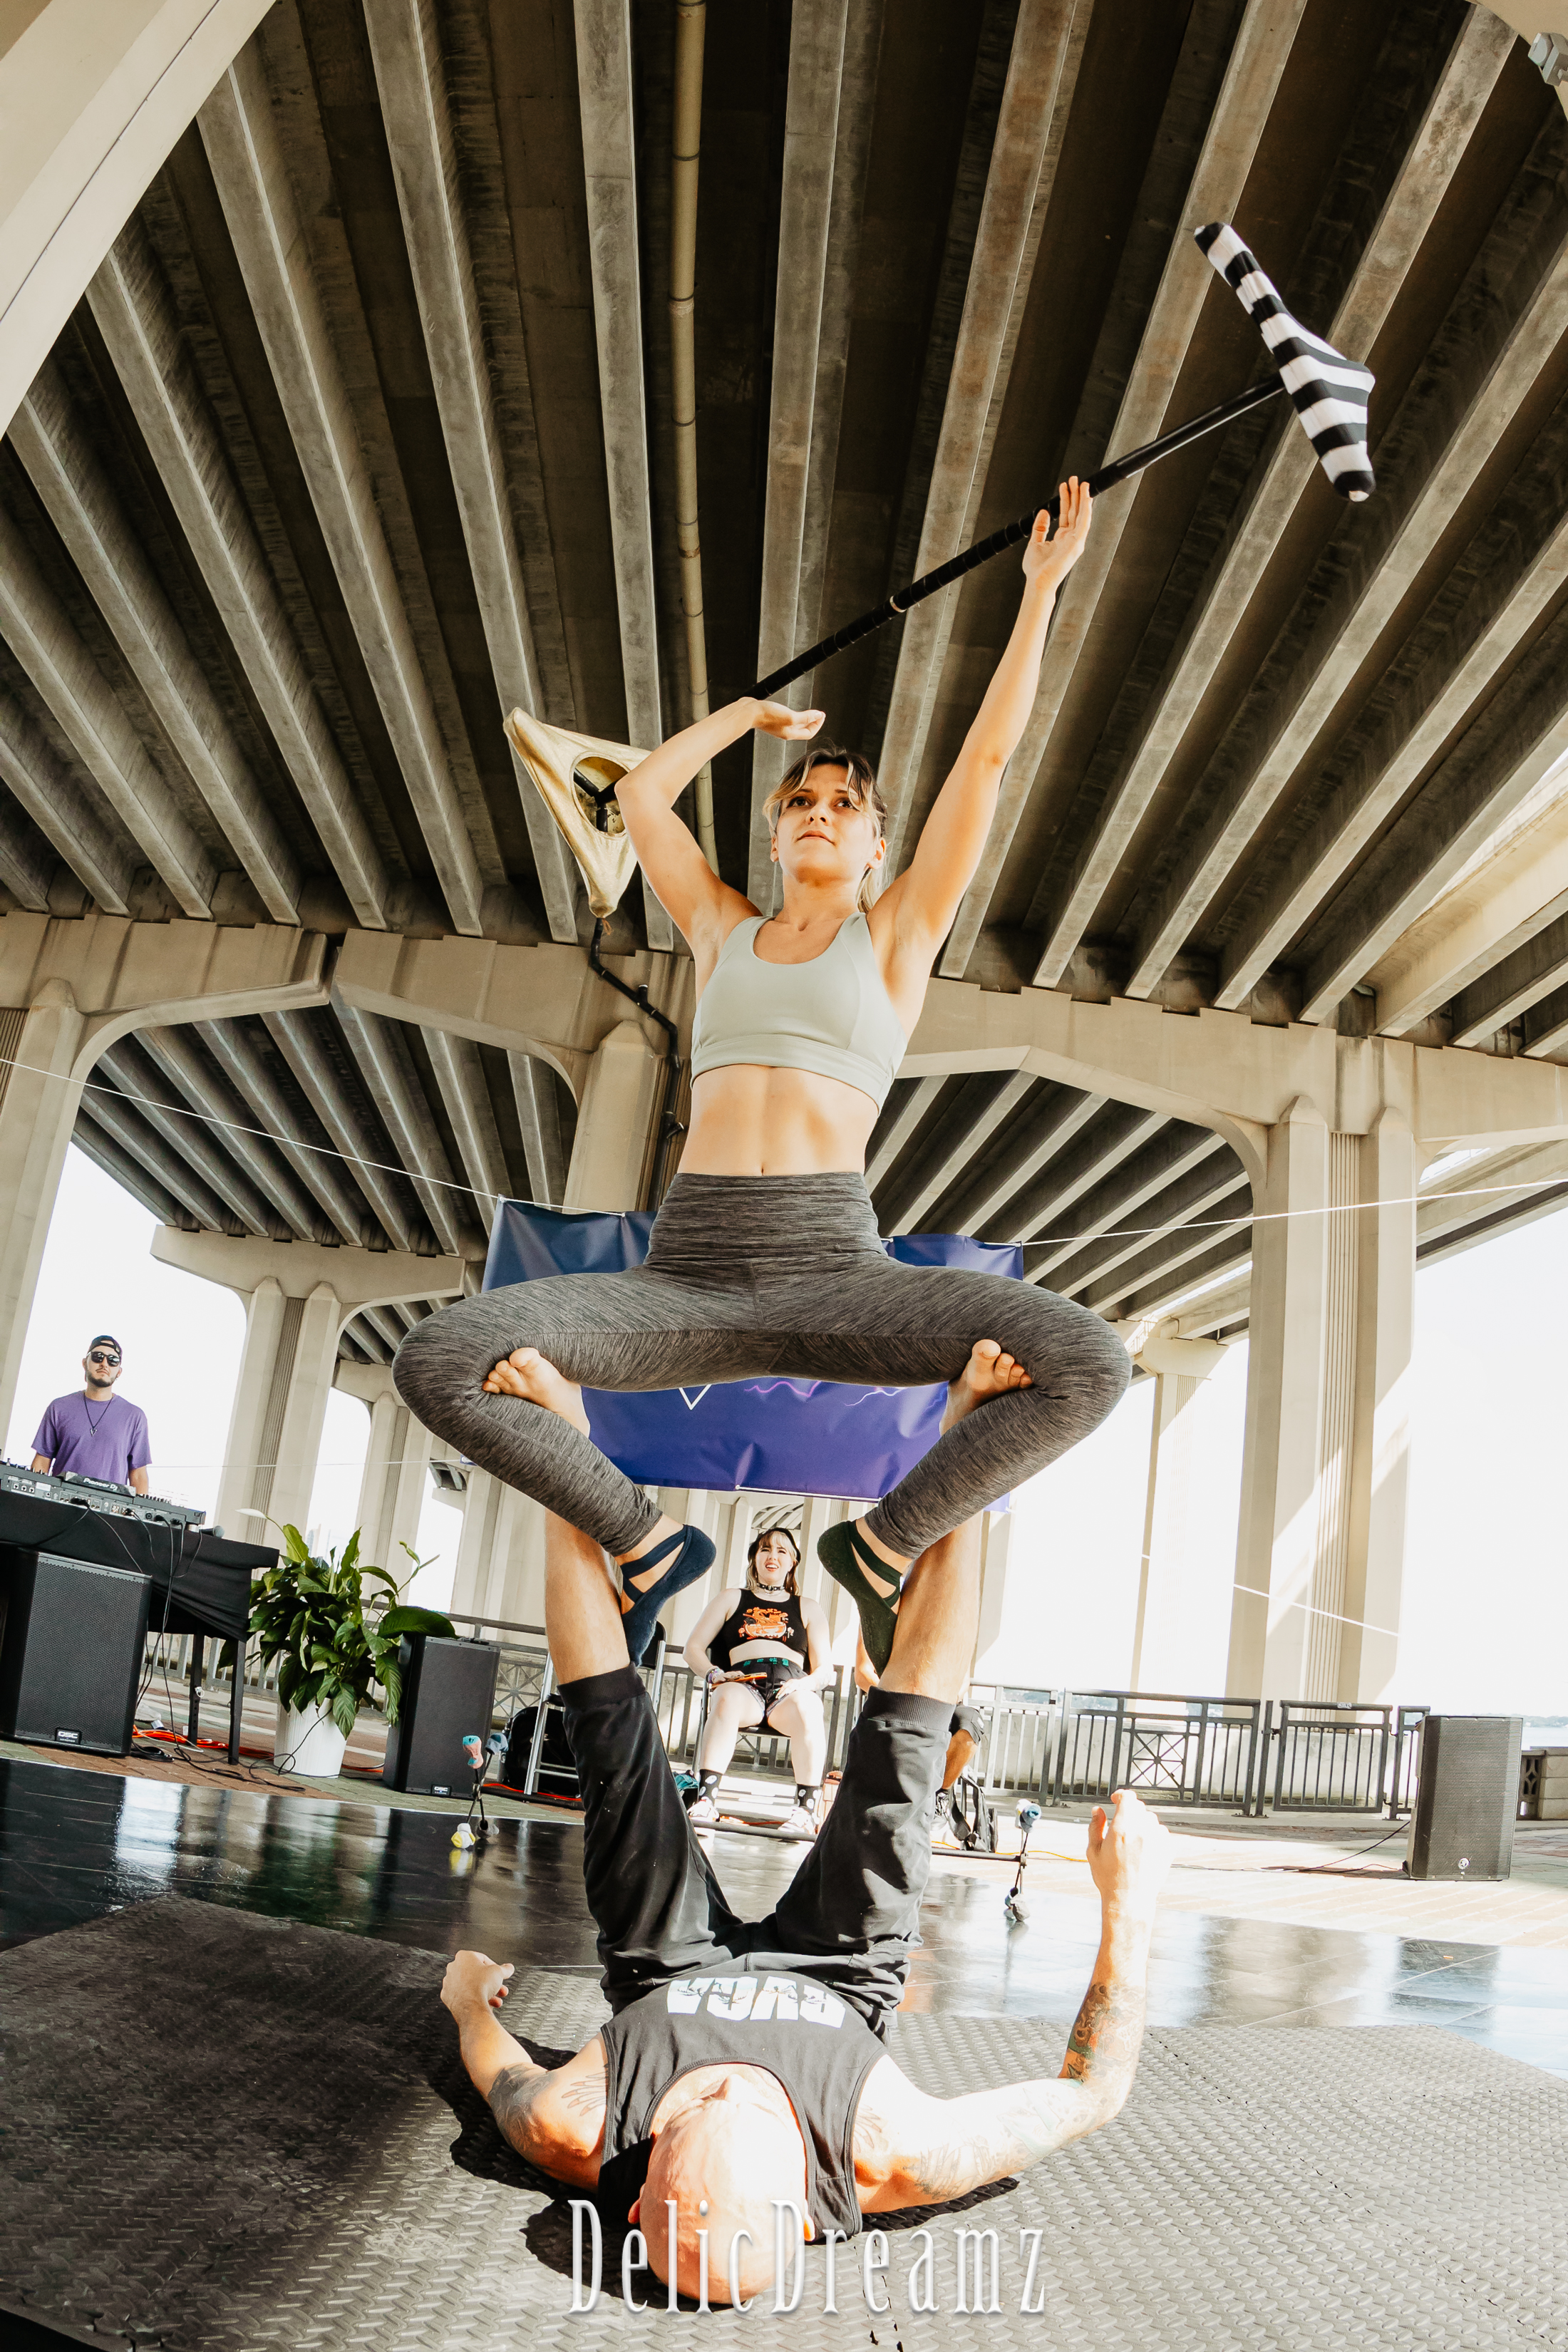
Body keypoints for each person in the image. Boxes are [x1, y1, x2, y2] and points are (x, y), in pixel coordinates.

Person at [395, 481, 1130, 1669]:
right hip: (686, 1275)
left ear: (878, 846)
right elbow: (640, 796)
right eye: (802, 802)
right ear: (777, 833)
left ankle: (882, 1546)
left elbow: (988, 763)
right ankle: (647, 1542)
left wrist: (1040, 593)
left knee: (1092, 1362)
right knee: (437, 1360)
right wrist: (745, 719)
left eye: (847, 806)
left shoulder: (894, 937)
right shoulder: (722, 928)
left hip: (836, 1269)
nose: (821, 813)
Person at [440, 1377, 1172, 2308]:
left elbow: (499, 2066)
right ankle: (968, 1438)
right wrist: (1129, 1907)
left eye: (701, 2106)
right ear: (809, 2199)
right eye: (753, 2111)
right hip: (838, 1969)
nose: (731, 2085)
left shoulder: (571, 2129)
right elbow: (1089, 2095)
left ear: (632, 2193)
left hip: (664, 1966)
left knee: (611, 1742)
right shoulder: (895, 2151)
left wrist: (466, 2002)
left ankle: (563, 1437)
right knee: (903, 1757)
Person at [683, 1524, 832, 1837]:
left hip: (789, 1690)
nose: (772, 1556)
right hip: (744, 1685)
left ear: (792, 1561)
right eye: (765, 1549)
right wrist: (715, 1674)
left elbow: (824, 1670)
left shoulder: (807, 1607)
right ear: (754, 1558)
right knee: (725, 1697)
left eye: (781, 1550)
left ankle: (805, 1811)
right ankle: (706, 1801)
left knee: (809, 1707)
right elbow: (692, 1648)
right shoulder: (732, 1598)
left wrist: (805, 1685)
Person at [855, 1634, 983, 1834]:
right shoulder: (874, 1619)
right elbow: (862, 1673)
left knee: (969, 1722)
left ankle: (941, 1795)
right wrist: (899, 1697)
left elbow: (962, 1680)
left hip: (941, 1703)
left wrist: (940, 1701)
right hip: (893, 1698)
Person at [31, 1335, 151, 1494]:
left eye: (113, 1360)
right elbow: (42, 1460)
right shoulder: (59, 1408)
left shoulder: (135, 1417)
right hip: (60, 1503)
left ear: (119, 1372)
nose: (104, 1364)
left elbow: (138, 1475)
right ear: (84, 1363)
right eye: (98, 1357)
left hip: (110, 1507)